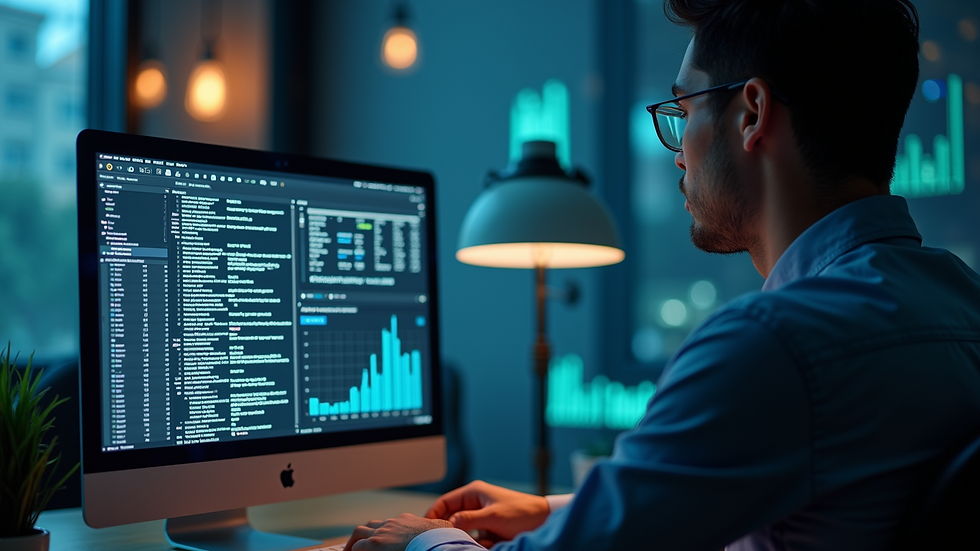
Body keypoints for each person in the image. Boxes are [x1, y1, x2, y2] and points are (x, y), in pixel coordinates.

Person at [344, 0, 980, 549]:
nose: (677, 150)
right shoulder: (957, 299)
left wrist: (424, 541)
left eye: (684, 109)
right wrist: (553, 512)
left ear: (752, 113)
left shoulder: (773, 344)